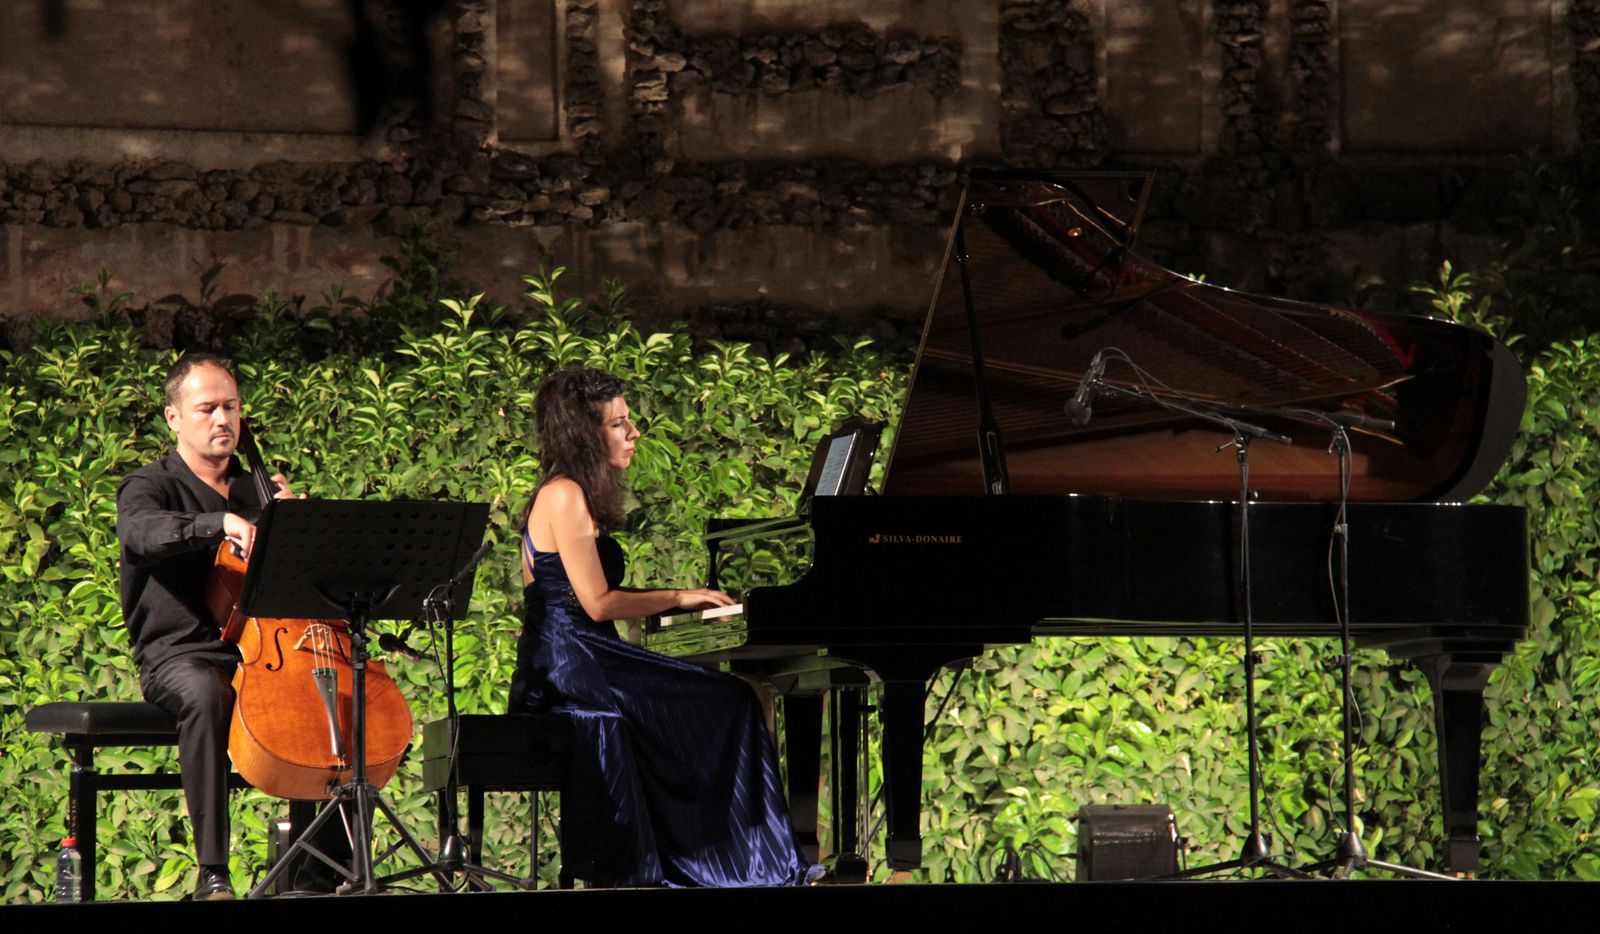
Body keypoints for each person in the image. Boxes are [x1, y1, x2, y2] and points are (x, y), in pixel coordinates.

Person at [509, 367, 815, 887]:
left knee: (722, 698)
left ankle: (719, 858)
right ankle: (736, 863)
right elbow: (599, 604)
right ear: (585, 433)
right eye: (619, 425)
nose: (634, 434)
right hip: (570, 665)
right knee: (734, 700)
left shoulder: (572, 493)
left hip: (582, 655)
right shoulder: (564, 495)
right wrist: (678, 597)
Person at [117, 352, 339, 899]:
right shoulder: (149, 487)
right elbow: (143, 535)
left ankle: (319, 874)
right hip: (182, 655)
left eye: (231, 407)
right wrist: (219, 523)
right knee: (205, 694)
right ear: (174, 419)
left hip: (263, 651)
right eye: (207, 408)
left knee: (326, 692)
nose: (223, 420)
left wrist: (298, 531)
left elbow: (303, 585)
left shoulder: (257, 490)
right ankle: (212, 871)